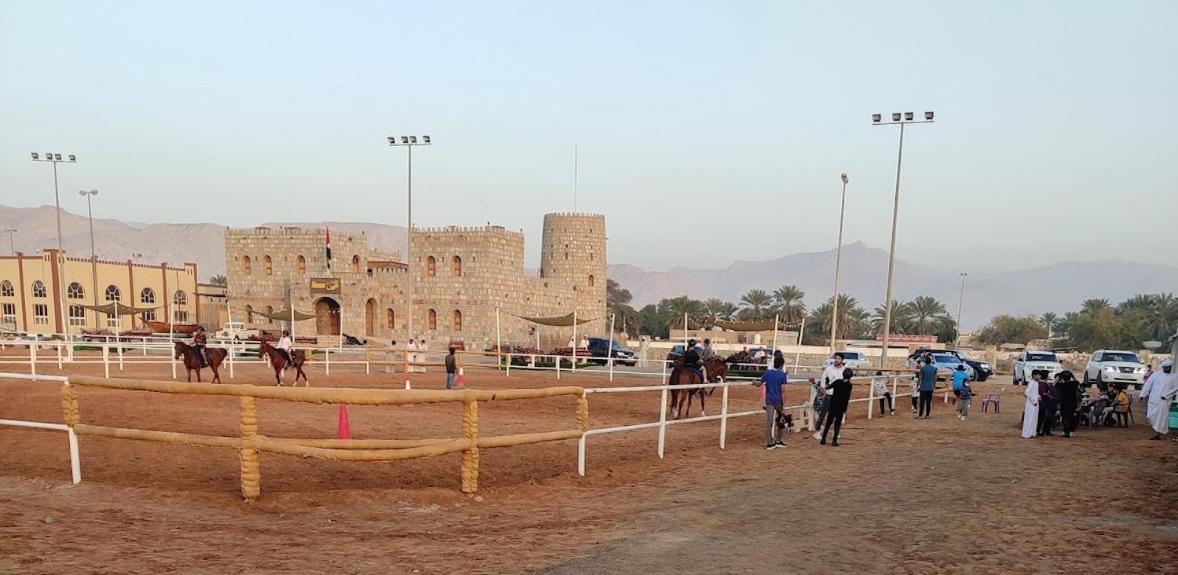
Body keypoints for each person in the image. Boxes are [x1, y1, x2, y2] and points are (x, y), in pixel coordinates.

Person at [756, 356, 789, 450]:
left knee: (769, 422)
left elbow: (759, 384)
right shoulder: (783, 375)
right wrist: (784, 404)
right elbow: (782, 390)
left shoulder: (768, 373)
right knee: (781, 420)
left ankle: (770, 442)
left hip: (769, 400)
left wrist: (754, 382)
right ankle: (779, 440)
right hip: (778, 400)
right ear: (782, 365)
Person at [1140, 359, 1176, 440]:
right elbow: (1148, 384)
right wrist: (1142, 395)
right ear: (1163, 367)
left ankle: (1158, 434)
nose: (1168, 369)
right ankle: (1157, 432)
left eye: (1169, 367)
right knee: (1150, 415)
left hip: (1164, 400)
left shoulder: (1174, 376)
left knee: (1161, 417)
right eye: (1167, 367)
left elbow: (1176, 388)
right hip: (1153, 399)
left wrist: (1166, 395)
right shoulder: (1156, 375)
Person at [814, 353, 846, 439]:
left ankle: (836, 432)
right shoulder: (829, 369)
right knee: (823, 414)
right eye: (836, 358)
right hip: (829, 395)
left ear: (842, 360)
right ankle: (817, 432)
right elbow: (823, 379)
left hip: (839, 396)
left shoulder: (844, 370)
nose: (836, 360)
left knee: (837, 416)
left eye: (838, 358)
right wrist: (823, 389)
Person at [820, 368, 853, 446]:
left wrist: (827, 381)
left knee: (828, 422)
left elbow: (828, 387)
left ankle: (823, 438)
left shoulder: (838, 381)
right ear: (850, 376)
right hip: (841, 406)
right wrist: (845, 408)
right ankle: (834, 440)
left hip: (833, 404)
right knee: (837, 424)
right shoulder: (849, 385)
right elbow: (847, 397)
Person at [1055, 371, 1081, 438]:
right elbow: (1078, 382)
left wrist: (1059, 377)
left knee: (1064, 417)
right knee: (1071, 417)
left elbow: (1054, 384)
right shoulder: (1074, 383)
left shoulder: (1062, 385)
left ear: (1063, 378)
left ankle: (1065, 431)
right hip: (1073, 402)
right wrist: (1073, 376)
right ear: (1070, 377)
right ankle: (1070, 431)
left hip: (1064, 403)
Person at [1020, 370, 1041, 438]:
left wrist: (1038, 397)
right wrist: (1033, 401)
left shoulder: (1036, 383)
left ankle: (1032, 433)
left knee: (1034, 418)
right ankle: (1027, 433)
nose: (1039, 376)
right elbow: (1027, 393)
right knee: (1030, 418)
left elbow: (1034, 393)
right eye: (1038, 375)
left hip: (1035, 402)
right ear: (1034, 375)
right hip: (1031, 404)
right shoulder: (1032, 383)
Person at [1038, 370, 1057, 436]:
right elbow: (1044, 393)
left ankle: (1041, 430)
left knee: (1042, 416)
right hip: (1044, 402)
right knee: (1044, 416)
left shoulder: (1040, 383)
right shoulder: (1043, 384)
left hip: (1042, 401)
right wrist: (1050, 396)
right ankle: (1041, 431)